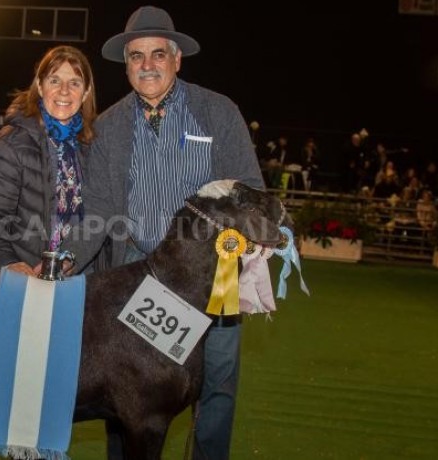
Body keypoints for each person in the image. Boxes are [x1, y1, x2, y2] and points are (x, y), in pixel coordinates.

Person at [59, 6, 264, 459]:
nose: (147, 64)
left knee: (216, 381)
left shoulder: (217, 112)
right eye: (136, 56)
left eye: (157, 54)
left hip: (213, 277)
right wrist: (64, 259)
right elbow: (102, 210)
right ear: (126, 64)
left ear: (176, 59)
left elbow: (249, 190)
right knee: (127, 390)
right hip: (138, 274)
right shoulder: (110, 126)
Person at [0, 45, 96, 275]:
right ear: (40, 86)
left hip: (78, 284)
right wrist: (9, 264)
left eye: (74, 83)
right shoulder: (11, 144)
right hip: (25, 285)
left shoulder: (91, 148)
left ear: (85, 93)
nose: (64, 91)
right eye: (54, 80)